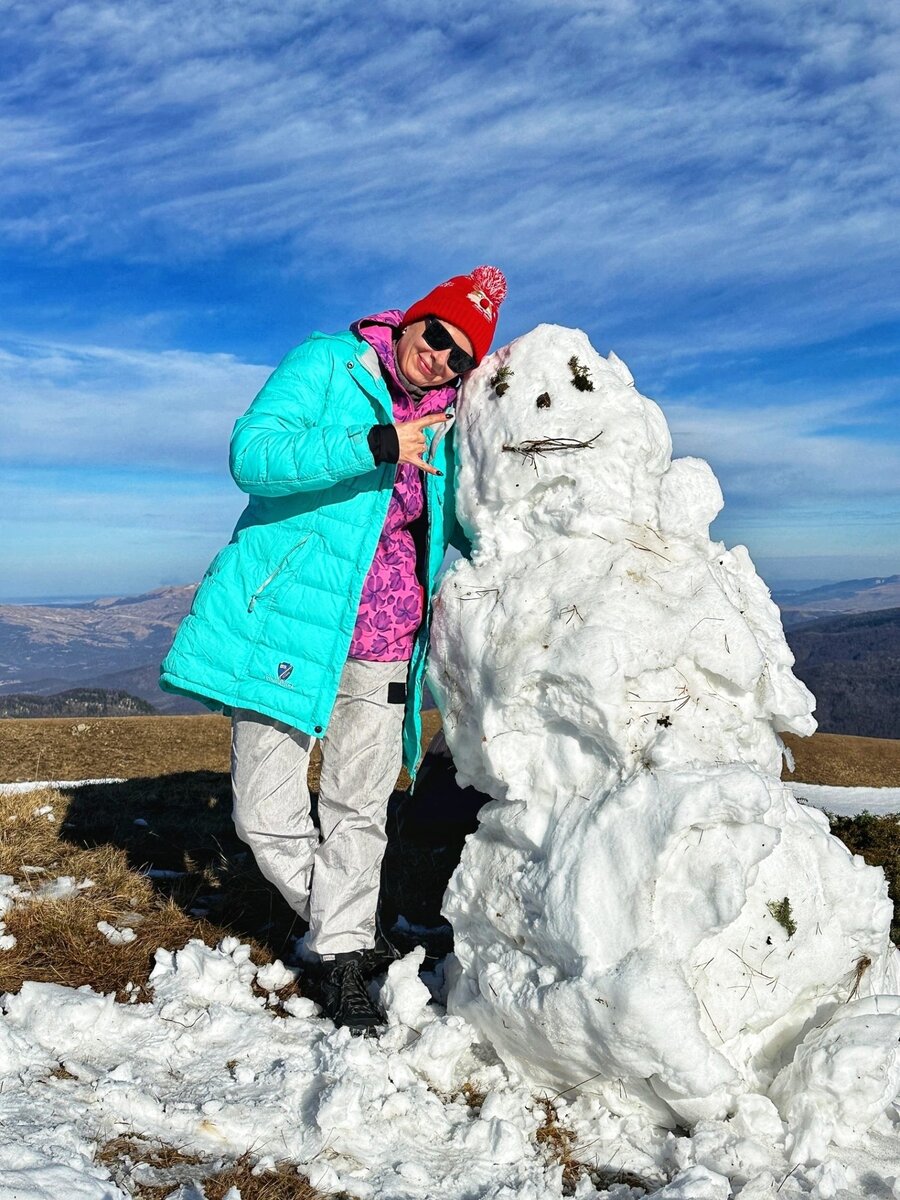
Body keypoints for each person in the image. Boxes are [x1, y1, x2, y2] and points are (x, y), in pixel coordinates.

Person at [160, 265, 507, 1033]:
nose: (441, 358)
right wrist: (377, 441)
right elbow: (252, 455)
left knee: (358, 805)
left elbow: (463, 523)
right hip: (292, 625)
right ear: (413, 321)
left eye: (461, 356)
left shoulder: (453, 424)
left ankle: (344, 961)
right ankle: (346, 926)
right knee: (263, 811)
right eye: (437, 336)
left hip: (389, 641)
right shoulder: (327, 365)